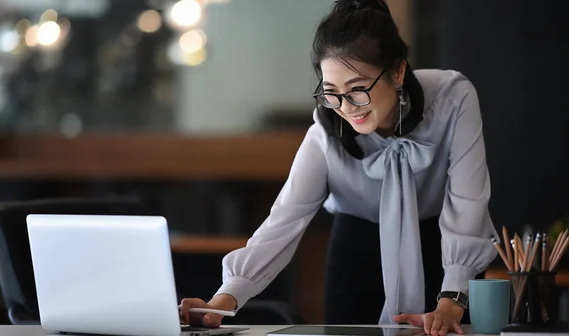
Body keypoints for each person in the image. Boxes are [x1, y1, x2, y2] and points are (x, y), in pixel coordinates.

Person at [180, 0, 498, 335]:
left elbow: (468, 202)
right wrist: (221, 303)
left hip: (443, 244)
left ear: (398, 70)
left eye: (358, 90)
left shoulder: (452, 99)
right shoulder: (325, 134)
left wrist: (452, 298)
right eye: (332, 93)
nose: (346, 107)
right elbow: (282, 223)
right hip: (357, 246)